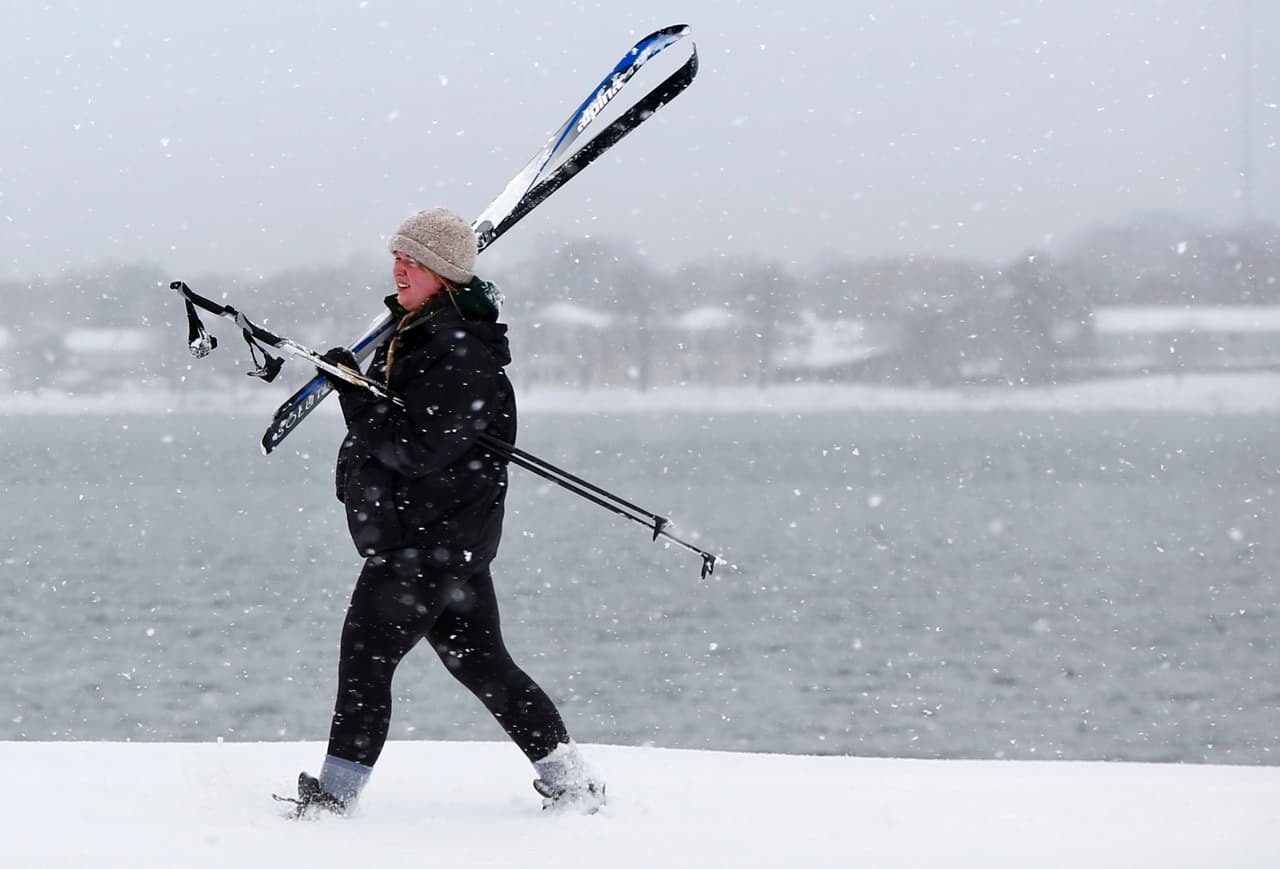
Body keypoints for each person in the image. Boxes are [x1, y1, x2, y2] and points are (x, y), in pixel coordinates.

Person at [279, 208, 605, 818]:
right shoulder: (419, 337)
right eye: (397, 258)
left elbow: (414, 447)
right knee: (485, 666)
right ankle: (573, 784)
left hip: (423, 546)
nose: (399, 268)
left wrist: (351, 395)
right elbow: (403, 431)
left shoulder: (457, 354)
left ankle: (331, 803)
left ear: (445, 276)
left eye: (414, 262)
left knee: (366, 665)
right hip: (443, 540)